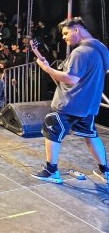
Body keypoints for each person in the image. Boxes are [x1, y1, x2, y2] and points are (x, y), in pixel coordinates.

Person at [30, 17, 109, 185]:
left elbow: (71, 79)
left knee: (51, 128)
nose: (64, 37)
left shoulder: (80, 52)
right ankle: (105, 171)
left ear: (76, 30)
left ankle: (51, 171)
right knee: (91, 134)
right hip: (89, 105)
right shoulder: (101, 48)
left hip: (69, 103)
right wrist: (51, 68)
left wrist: (46, 68)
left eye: (66, 33)